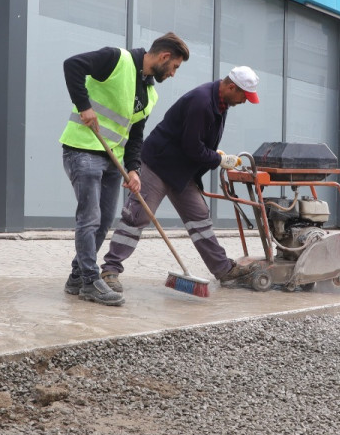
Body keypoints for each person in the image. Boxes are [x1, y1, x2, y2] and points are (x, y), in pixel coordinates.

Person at [100, 66, 261, 292]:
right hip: (158, 164)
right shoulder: (202, 101)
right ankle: (110, 269)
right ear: (231, 87)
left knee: (199, 217)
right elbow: (191, 147)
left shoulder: (221, 103)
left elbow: (196, 144)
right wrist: (217, 159)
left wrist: (217, 155)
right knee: (137, 217)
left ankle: (224, 270)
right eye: (244, 96)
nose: (244, 101)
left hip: (182, 171)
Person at [60, 32, 190, 306]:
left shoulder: (150, 94)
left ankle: (76, 276)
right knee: (90, 217)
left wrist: (133, 170)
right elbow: (72, 65)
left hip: (112, 160)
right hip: (83, 148)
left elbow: (135, 136)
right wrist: (84, 106)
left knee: (105, 219)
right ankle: (88, 282)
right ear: (164, 56)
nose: (174, 73)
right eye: (175, 66)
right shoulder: (116, 59)